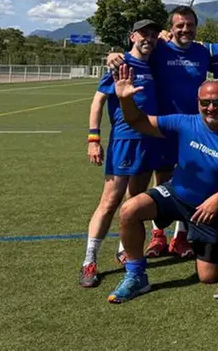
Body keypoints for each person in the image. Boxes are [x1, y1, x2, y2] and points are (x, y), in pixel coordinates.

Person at [106, 67, 218, 303]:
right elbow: (137, 120)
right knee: (129, 210)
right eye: (205, 102)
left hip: (207, 210)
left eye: (217, 102)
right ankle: (136, 276)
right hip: (176, 194)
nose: (211, 108)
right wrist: (126, 100)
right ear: (197, 102)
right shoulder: (185, 122)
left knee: (207, 277)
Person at [108, 6, 210, 258]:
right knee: (161, 184)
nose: (185, 29)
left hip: (192, 129)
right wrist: (114, 54)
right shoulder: (159, 48)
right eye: (180, 25)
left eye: (190, 25)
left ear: (196, 27)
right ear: (171, 28)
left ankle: (180, 237)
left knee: (189, 183)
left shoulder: (202, 51)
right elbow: (135, 53)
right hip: (160, 128)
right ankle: (157, 236)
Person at [79, 20, 160, 288]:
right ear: (132, 36)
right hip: (124, 141)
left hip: (148, 141)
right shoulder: (121, 63)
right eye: (143, 34)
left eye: (152, 34)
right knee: (110, 202)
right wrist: (93, 138)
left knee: (134, 203)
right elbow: (98, 100)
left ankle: (124, 249)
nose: (148, 38)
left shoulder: (152, 63)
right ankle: (89, 261)